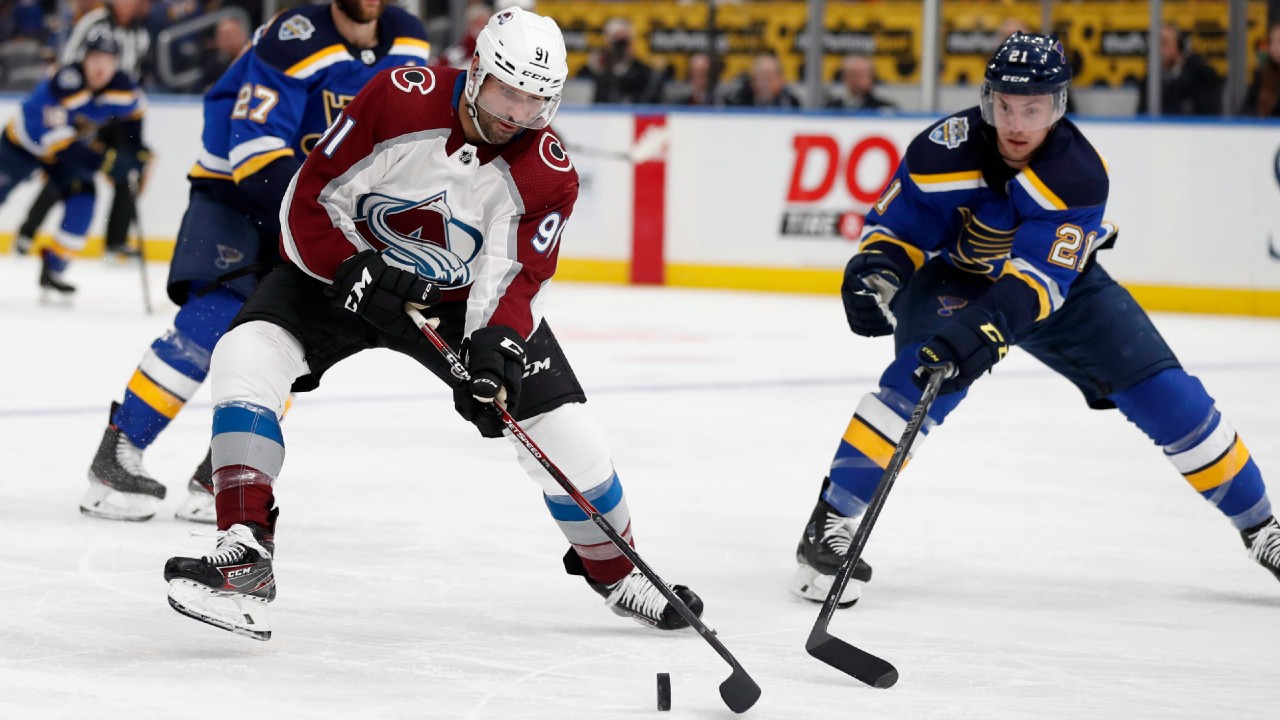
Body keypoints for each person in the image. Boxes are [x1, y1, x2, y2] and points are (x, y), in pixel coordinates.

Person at [161, 6, 705, 640]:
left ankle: (616, 572)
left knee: (567, 432)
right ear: (476, 71)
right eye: (506, 92)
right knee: (247, 354)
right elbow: (307, 200)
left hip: (458, 300)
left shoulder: (547, 173)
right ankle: (245, 547)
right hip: (344, 272)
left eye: (535, 102)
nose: (514, 114)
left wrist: (494, 354)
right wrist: (353, 268)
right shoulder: (397, 100)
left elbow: (514, 279)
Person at [789, 32, 1280, 609]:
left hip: (1060, 290)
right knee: (919, 379)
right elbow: (899, 228)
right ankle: (828, 525)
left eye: (1034, 108)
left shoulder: (1078, 174)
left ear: (1059, 106)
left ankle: (1263, 527)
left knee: (1169, 395)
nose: (1017, 122)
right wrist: (877, 270)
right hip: (953, 279)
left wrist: (980, 332)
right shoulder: (942, 150)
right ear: (987, 100)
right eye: (1005, 105)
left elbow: (1037, 286)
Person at [80, 0, 431, 523]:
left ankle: (220, 473)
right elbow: (256, 156)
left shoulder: (409, 39)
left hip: (317, 203)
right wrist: (335, 218)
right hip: (240, 192)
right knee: (211, 320)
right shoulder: (293, 37)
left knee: (290, 336)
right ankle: (117, 454)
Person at [1, 28, 146, 296]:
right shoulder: (63, 83)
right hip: (21, 146)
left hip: (64, 154)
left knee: (84, 201)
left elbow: (136, 112)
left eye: (108, 58)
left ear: (117, 62)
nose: (100, 64)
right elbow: (59, 144)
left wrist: (133, 149)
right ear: (84, 59)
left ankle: (54, 267)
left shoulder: (122, 86)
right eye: (95, 57)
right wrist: (107, 161)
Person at [16, 0, 152, 260]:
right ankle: (27, 232)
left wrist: (135, 140)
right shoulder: (92, 23)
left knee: (128, 166)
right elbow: (68, 64)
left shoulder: (140, 34)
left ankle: (115, 241)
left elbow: (135, 75)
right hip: (80, 107)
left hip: (111, 110)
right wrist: (78, 105)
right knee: (71, 166)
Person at [1136, 23, 1222, 116]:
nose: (1159, 50)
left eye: (1164, 43)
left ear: (1179, 46)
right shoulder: (1150, 80)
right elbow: (1141, 115)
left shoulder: (1199, 74)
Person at [577, 16, 662, 104]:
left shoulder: (645, 74)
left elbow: (647, 104)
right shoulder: (591, 70)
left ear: (631, 44)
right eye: (617, 42)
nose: (621, 48)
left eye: (624, 42)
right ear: (607, 42)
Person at [723, 53, 801, 109]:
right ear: (753, 79)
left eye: (770, 77)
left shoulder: (790, 103)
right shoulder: (739, 101)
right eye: (761, 76)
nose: (765, 82)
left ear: (780, 80)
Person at [825, 54, 895, 111]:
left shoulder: (884, 110)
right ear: (844, 77)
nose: (856, 79)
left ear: (872, 77)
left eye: (862, 75)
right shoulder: (830, 108)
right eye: (853, 74)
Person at [1240, 22, 1280, 117]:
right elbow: (1246, 110)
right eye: (1272, 42)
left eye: (1279, 42)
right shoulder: (1262, 75)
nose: (1274, 48)